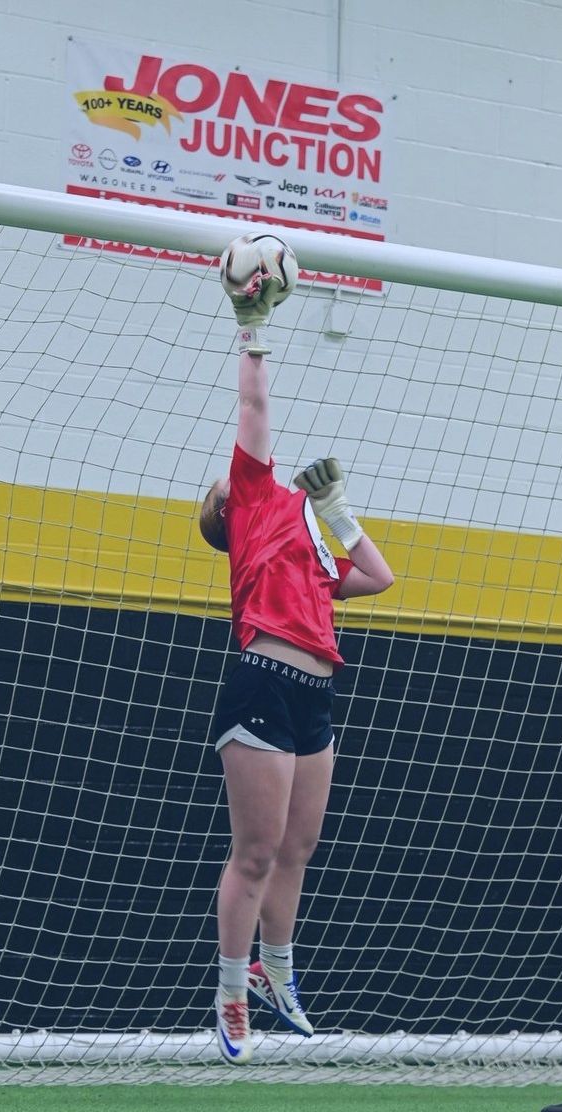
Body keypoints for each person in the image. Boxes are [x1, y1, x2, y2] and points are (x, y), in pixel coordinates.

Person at [200, 251, 395, 1065]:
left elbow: (381, 578)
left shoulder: (311, 537)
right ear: (228, 508)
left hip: (316, 695)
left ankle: (281, 973)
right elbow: (255, 413)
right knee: (253, 850)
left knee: (299, 848)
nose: (230, 477)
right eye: (221, 486)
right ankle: (232, 992)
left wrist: (338, 512)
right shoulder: (251, 506)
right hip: (262, 681)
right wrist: (253, 329)